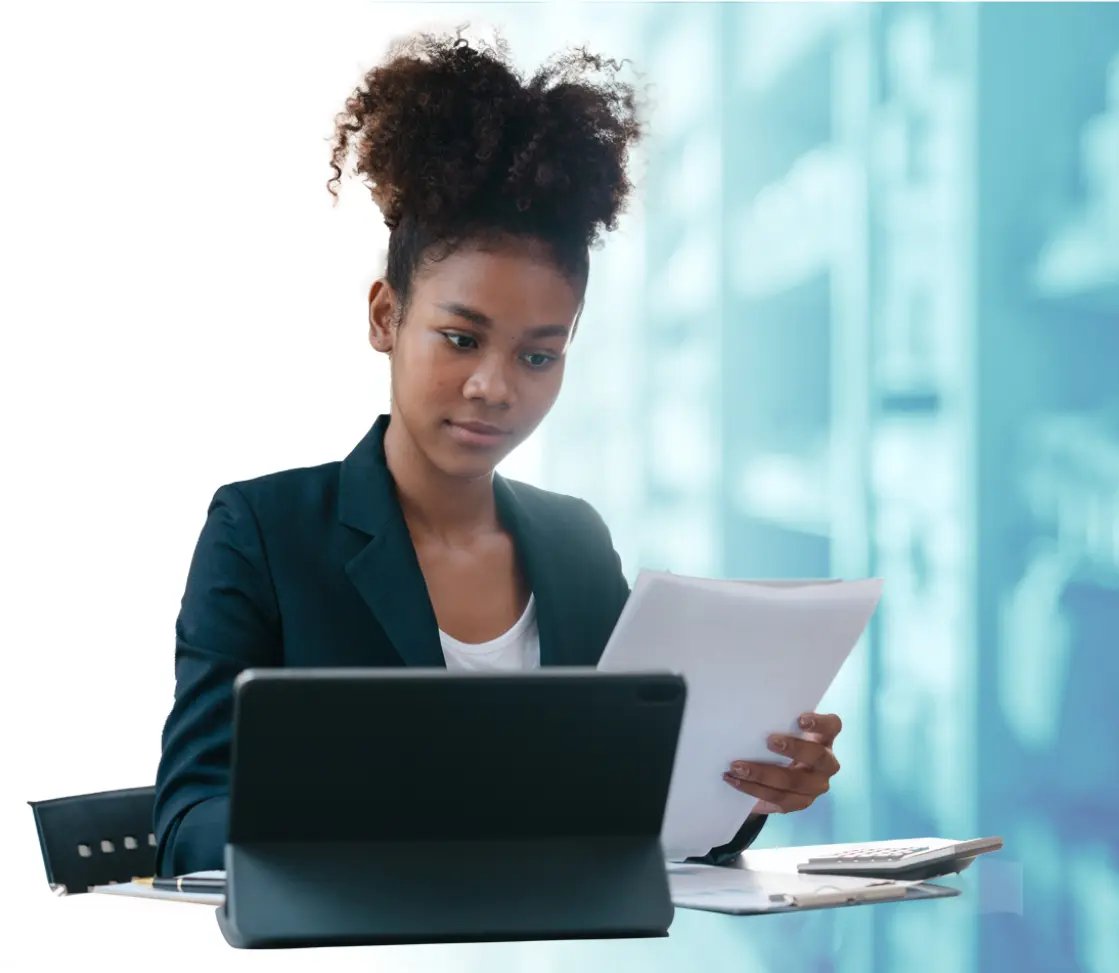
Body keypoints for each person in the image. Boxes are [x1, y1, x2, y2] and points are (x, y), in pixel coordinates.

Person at [152, 30, 843, 877]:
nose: (495, 386)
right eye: (460, 337)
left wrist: (754, 783)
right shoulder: (263, 531)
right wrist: (398, 825)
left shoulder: (576, 545)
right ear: (384, 316)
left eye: (538, 354)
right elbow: (189, 815)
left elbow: (648, 803)